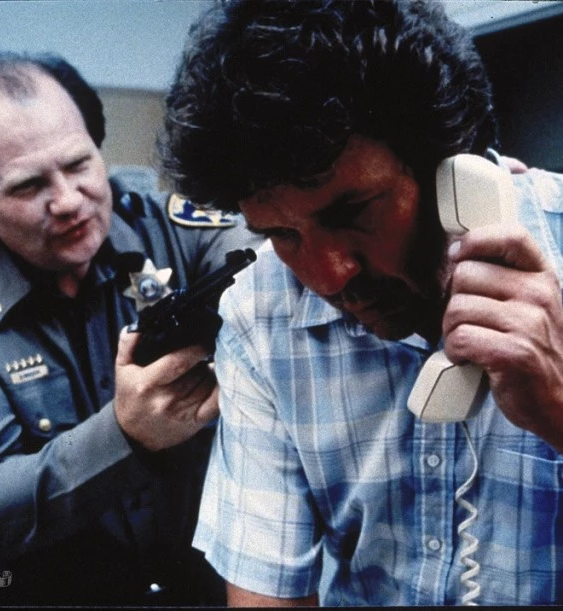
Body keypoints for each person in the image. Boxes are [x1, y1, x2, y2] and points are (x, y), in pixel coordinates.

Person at [161, 0, 563, 606]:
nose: (328, 277)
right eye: (283, 234)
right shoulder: (261, 316)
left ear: (450, 171)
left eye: (352, 212)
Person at [0, 50, 258, 606]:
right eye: (28, 186)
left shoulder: (180, 231)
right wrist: (126, 435)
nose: (68, 201)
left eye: (79, 164)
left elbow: (271, 267)